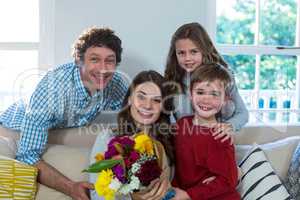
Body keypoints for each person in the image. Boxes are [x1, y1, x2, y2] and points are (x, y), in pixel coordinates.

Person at [0, 27, 128, 199]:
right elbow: (27, 156)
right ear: (79, 61)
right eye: (94, 59)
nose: (103, 68)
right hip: (14, 129)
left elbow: (135, 109)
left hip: (61, 127)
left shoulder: (115, 82)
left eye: (110, 61)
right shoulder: (53, 89)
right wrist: (71, 188)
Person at [89, 70, 174, 200]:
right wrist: (133, 197)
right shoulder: (108, 137)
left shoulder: (167, 142)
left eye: (156, 100)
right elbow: (97, 195)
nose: (147, 105)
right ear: (129, 99)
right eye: (141, 96)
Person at [164, 22, 248, 143]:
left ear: (204, 50)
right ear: (175, 54)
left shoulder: (222, 76)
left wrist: (229, 126)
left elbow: (243, 113)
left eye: (194, 52)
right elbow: (168, 118)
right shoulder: (173, 78)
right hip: (185, 145)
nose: (187, 58)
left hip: (214, 142)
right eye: (181, 53)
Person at [172, 64, 240, 200]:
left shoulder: (221, 135)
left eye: (214, 94)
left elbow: (228, 181)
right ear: (191, 94)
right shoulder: (182, 124)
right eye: (200, 92)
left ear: (224, 100)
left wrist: (187, 194)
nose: (206, 99)